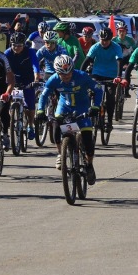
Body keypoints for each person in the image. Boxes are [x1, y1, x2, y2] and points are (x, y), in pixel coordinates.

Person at [36, 55, 102, 183]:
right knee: (55, 125)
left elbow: (98, 89)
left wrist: (96, 106)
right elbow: (44, 95)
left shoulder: (82, 76)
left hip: (82, 107)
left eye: (69, 73)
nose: (66, 77)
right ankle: (61, 153)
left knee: (88, 138)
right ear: (57, 72)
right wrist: (40, 110)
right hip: (64, 106)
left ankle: (89, 164)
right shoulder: (53, 79)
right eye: (62, 74)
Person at [81, 28, 123, 133]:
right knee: (91, 92)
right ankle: (91, 111)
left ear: (110, 39)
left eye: (106, 40)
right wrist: (80, 75)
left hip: (111, 75)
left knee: (110, 97)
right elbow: (87, 61)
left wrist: (118, 76)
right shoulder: (95, 47)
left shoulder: (116, 47)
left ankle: (109, 122)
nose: (104, 42)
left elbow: (119, 62)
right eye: (102, 40)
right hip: (97, 73)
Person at [4, 32, 42, 140]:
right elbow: (1, 67)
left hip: (27, 79)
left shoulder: (30, 52)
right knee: (5, 100)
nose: (16, 48)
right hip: (13, 79)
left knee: (30, 104)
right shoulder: (7, 53)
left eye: (19, 45)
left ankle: (30, 125)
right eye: (14, 45)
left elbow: (35, 66)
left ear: (24, 45)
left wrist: (36, 79)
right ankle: (10, 119)